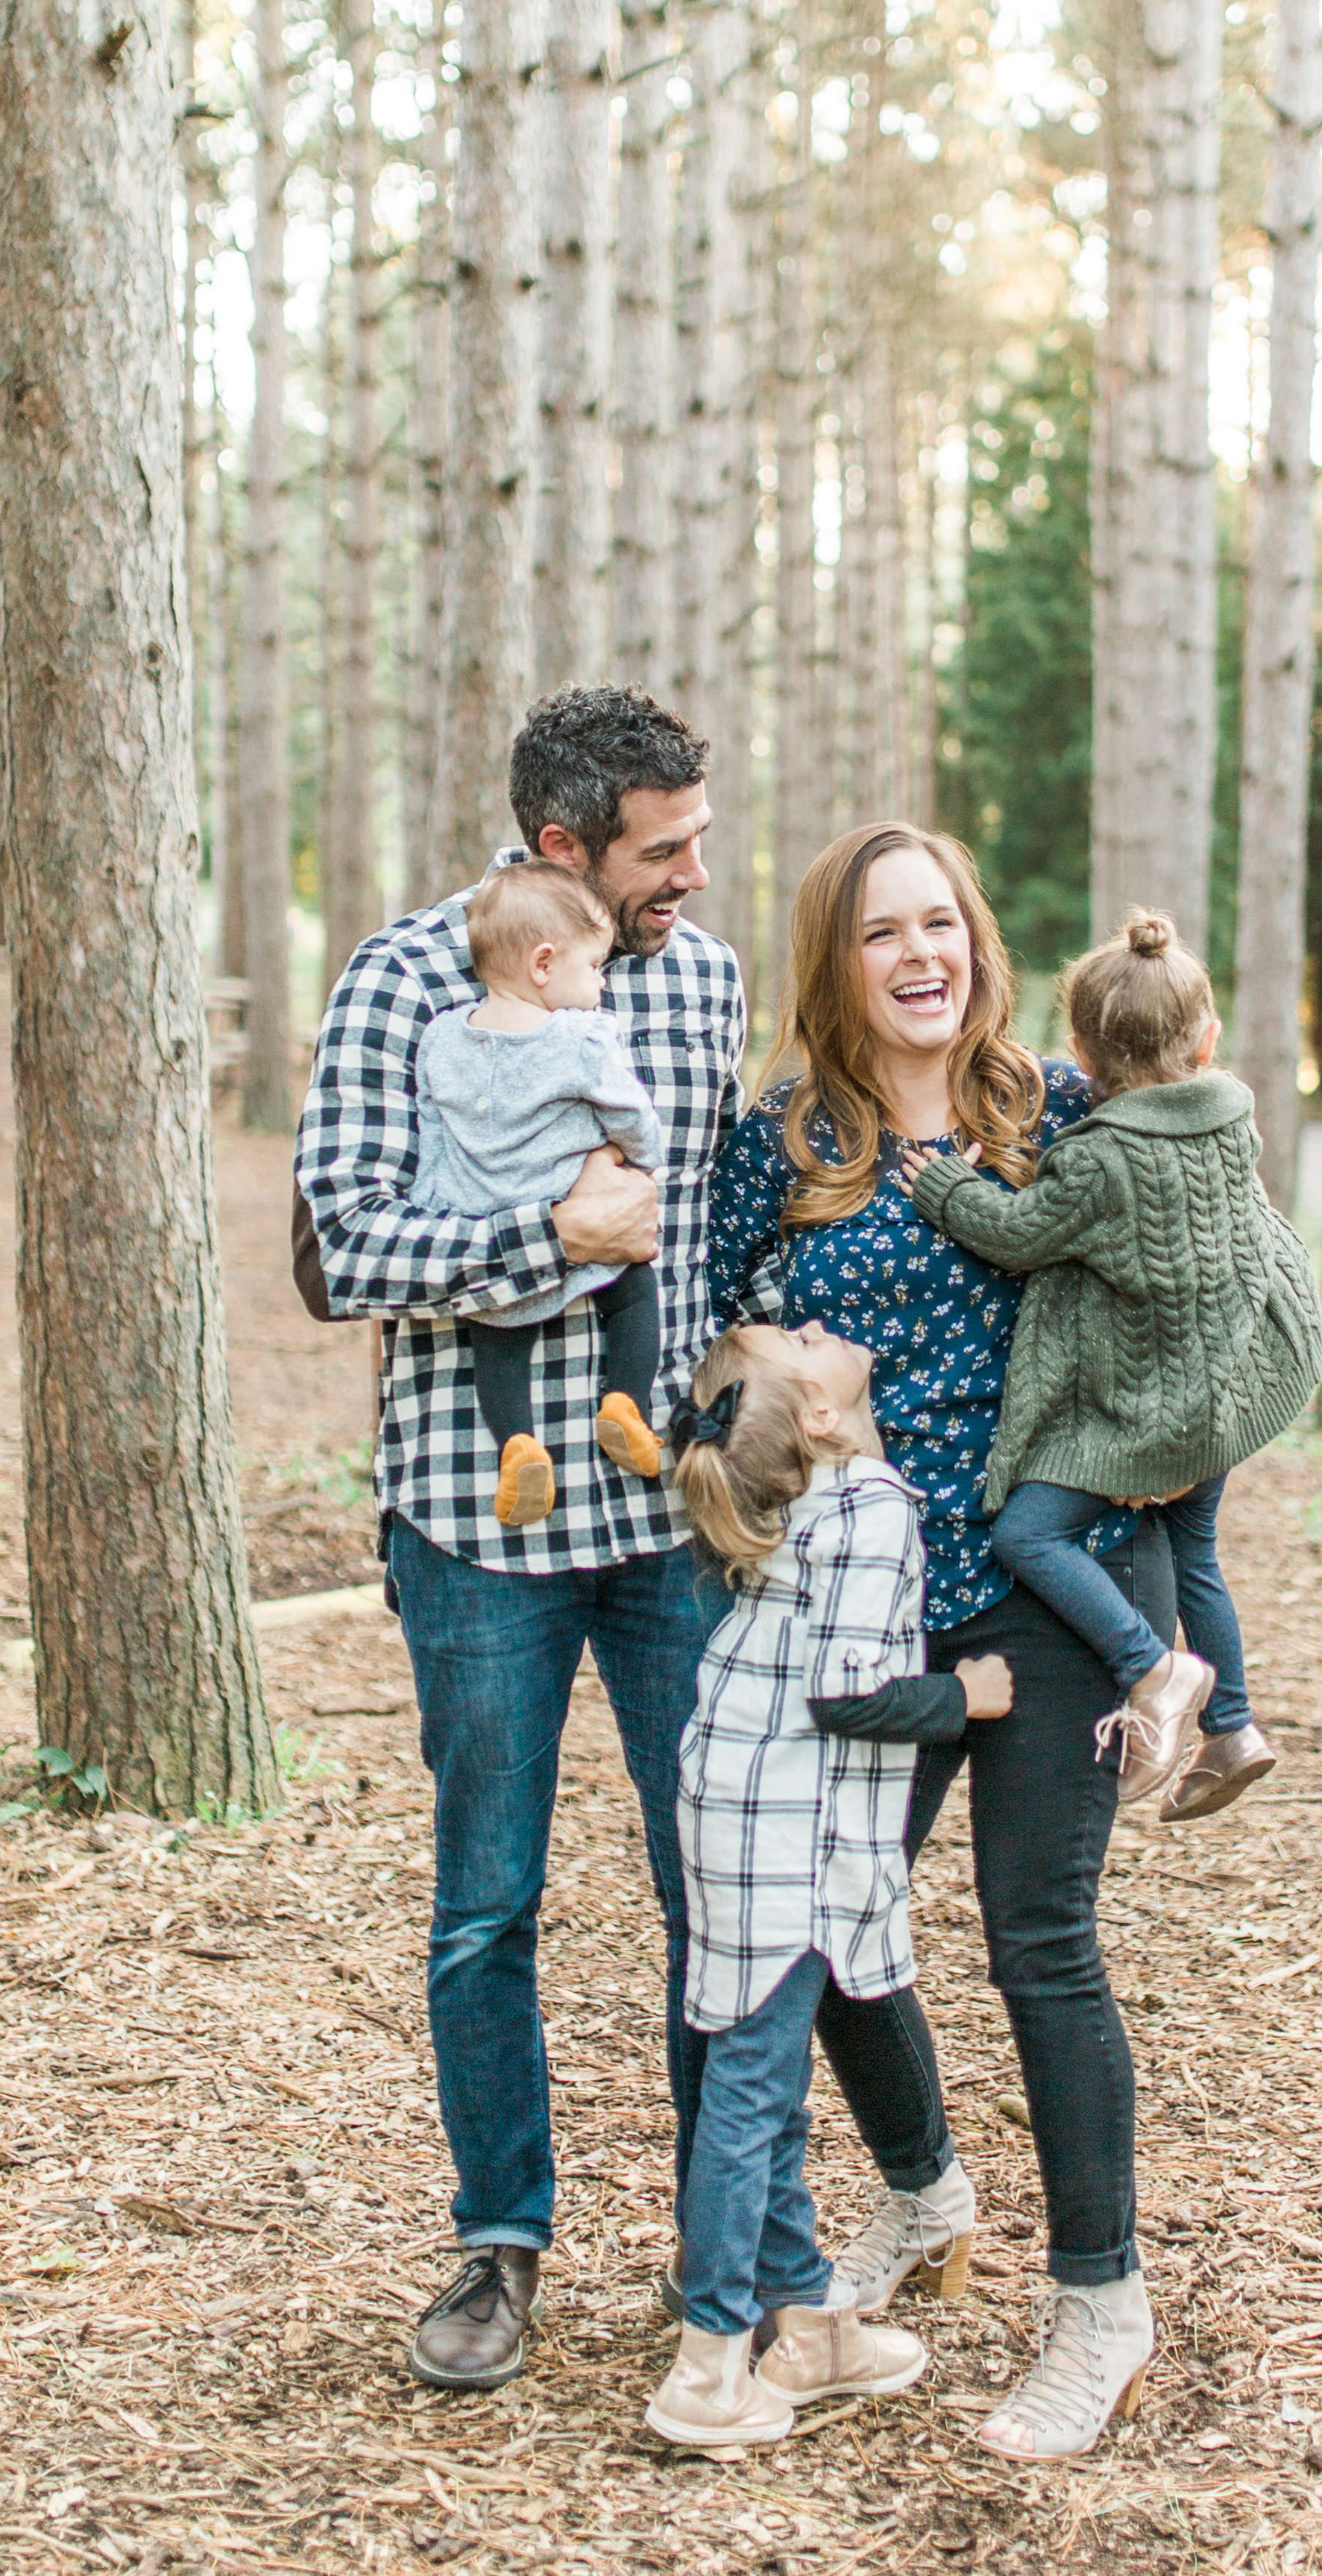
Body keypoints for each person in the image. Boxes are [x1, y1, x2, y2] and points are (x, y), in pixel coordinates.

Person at [294, 684, 746, 2391]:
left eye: (701, 835)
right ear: (562, 845)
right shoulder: (403, 976)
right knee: (488, 1903)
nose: (695, 872)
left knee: (717, 1880)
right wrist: (543, 1230)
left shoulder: (700, 976)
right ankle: (502, 2241)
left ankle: (734, 2235)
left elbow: (705, 1228)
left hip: (671, 1519)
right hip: (474, 1520)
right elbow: (347, 1243)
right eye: (664, 846)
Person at [705, 819, 1173, 2459]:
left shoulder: (1055, 1102)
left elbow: (1186, 1284)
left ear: (975, 937)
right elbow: (712, 1331)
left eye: (941, 925)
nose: (920, 956)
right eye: (880, 933)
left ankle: (1098, 2310)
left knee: (1036, 1938)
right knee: (824, 1922)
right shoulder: (781, 1134)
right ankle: (920, 2194)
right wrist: (788, 1370)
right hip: (869, 1601)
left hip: (1055, 1574)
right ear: (835, 962)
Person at [644, 1320, 1013, 2449]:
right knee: (754, 2095)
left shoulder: (781, 1497)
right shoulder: (870, 1508)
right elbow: (851, 1693)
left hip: (730, 1800)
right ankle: (710, 2365)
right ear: (817, 1414)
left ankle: (809, 2323)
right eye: (801, 1339)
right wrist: (968, 1697)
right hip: (790, 1830)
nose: (817, 1321)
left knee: (754, 2074)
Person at [899, 909, 1322, 1821]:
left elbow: (1016, 1238)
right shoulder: (1229, 1123)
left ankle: (1152, 1668)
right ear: (1207, 1039)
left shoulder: (1100, 1161)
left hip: (1142, 1419)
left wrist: (943, 1184)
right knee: (1195, 1550)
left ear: (1081, 1054)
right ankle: (1236, 1726)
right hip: (1217, 1405)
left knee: (1025, 1536)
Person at [414, 855, 666, 1529]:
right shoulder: (578, 1038)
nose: (601, 987)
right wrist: (642, 1160)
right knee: (635, 1291)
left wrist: (445, 1203)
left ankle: (518, 1447)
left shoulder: (441, 1037)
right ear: (544, 964)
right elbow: (629, 1111)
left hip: (488, 1226)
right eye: (594, 969)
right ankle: (625, 1404)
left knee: (496, 1341)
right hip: (577, 1216)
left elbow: (431, 1130)